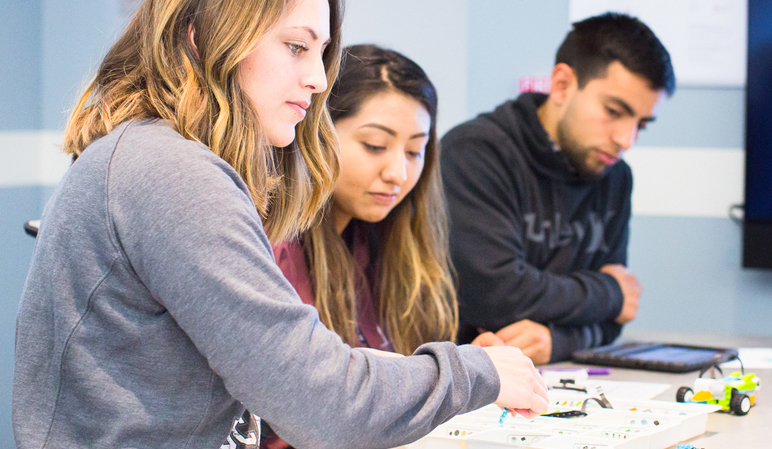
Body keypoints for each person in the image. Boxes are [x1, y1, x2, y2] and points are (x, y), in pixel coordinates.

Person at [12, 1, 548, 448]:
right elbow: (319, 400)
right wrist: (480, 371)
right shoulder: (168, 170)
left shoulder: (162, 159)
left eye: (322, 53)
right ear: (203, 37)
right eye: (296, 47)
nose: (317, 80)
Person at [259, 44, 502, 448]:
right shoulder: (275, 246)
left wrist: (467, 357)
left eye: (414, 151)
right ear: (317, 130)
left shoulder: (381, 240)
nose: (398, 173)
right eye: (374, 146)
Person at [441, 12, 676, 365]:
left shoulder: (616, 176)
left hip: (557, 379)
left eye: (641, 124)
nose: (626, 140)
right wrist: (608, 292)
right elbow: (494, 295)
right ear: (563, 84)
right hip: (469, 381)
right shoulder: (475, 152)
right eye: (614, 111)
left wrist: (559, 340)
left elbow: (616, 319)